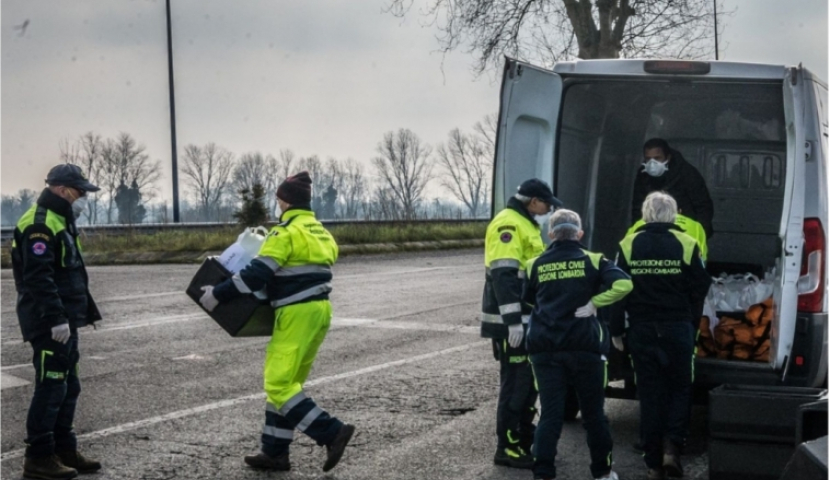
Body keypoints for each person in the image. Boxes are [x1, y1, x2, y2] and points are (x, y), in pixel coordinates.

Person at [199, 171, 354, 472]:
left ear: (284, 201)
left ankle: (331, 432)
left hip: (295, 314)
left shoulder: (285, 234)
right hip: (320, 312)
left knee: (278, 384)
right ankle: (275, 452)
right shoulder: (321, 232)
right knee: (288, 384)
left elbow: (255, 275)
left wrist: (218, 293)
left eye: (278, 200)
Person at [523, 209, 632, 480]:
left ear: (550, 234)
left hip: (545, 349)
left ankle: (543, 473)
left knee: (550, 415)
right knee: (594, 415)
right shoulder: (595, 260)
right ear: (579, 234)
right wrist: (594, 303)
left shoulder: (534, 264)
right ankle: (602, 473)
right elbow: (624, 284)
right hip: (585, 349)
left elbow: (528, 300)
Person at [611, 192, 712, 480]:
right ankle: (672, 448)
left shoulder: (628, 244)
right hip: (677, 327)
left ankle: (653, 463)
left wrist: (616, 329)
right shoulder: (687, 243)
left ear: (645, 214)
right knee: (680, 388)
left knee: (650, 393)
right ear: (672, 214)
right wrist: (689, 316)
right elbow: (701, 285)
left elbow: (618, 291)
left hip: (642, 329)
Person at [11, 164, 103, 480]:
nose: (82, 198)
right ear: (63, 190)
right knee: (51, 387)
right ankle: (38, 457)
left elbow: (70, 275)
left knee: (68, 386)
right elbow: (39, 278)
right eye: (79, 192)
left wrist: (78, 315)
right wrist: (55, 318)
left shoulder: (60, 219)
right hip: (49, 322)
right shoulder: (40, 224)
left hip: (65, 321)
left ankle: (64, 449)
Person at [481, 179, 562, 469]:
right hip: (512, 324)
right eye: (547, 203)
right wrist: (513, 322)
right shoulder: (509, 224)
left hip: (527, 320)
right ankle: (507, 448)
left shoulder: (525, 223)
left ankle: (524, 440)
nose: (549, 208)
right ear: (533, 202)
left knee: (528, 386)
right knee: (516, 386)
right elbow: (504, 276)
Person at [631, 138, 714, 238]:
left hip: (685, 233)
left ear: (668, 157)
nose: (652, 163)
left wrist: (699, 236)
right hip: (652, 233)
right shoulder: (643, 175)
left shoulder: (688, 174)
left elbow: (703, 208)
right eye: (648, 159)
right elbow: (637, 207)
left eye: (657, 158)